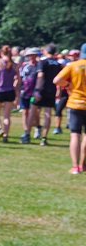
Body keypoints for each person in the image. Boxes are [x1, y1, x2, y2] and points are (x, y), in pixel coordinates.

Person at [54, 45, 86, 174]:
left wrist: (68, 85)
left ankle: (75, 166)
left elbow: (57, 80)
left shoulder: (73, 65)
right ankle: (83, 165)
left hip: (75, 103)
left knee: (75, 135)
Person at [34, 45, 62, 146]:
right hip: (52, 90)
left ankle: (38, 127)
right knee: (48, 114)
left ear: (46, 51)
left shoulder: (43, 62)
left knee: (34, 109)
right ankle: (44, 137)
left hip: (42, 89)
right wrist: (59, 90)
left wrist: (37, 89)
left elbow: (40, 76)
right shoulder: (58, 64)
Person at [0, 48, 17, 142]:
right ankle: (6, 136)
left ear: (1, 53)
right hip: (10, 91)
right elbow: (18, 79)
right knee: (7, 116)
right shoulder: (14, 65)